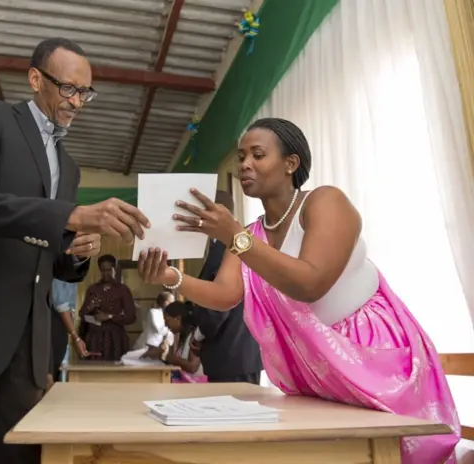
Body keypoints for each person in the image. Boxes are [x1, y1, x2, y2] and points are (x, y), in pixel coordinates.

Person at [137, 117, 460, 463]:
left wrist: (235, 237)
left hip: (370, 352)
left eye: (258, 155)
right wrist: (171, 277)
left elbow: (311, 283)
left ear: (291, 163)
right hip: (317, 365)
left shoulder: (324, 202)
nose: (245, 164)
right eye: (241, 156)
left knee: (392, 450)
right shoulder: (251, 232)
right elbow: (225, 294)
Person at [0, 37, 150, 464]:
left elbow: (52, 256)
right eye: (69, 88)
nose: (77, 102)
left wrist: (76, 253)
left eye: (85, 93)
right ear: (36, 79)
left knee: (17, 456)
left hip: (29, 345)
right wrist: (71, 216)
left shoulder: (69, 166)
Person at [190, 191, 262, 385]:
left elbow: (217, 305)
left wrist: (198, 335)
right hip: (245, 349)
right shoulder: (245, 241)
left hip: (228, 350)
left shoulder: (224, 246)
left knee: (232, 412)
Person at [78, 255, 137, 361]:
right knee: (94, 373)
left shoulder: (123, 290)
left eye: (109, 270)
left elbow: (131, 317)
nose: (106, 273)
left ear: (115, 269)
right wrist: (91, 307)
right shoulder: (93, 289)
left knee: (115, 374)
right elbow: (82, 315)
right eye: (103, 270)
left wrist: (109, 316)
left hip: (115, 338)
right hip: (95, 338)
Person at [50, 278, 89, 383]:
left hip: (63, 327)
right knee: (51, 370)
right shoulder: (59, 276)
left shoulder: (73, 278)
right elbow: (61, 306)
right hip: (53, 324)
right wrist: (75, 337)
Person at [160, 301, 207, 383]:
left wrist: (166, 356)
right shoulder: (181, 336)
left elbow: (192, 367)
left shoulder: (194, 335)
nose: (165, 324)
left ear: (178, 318)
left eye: (167, 320)